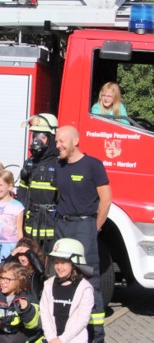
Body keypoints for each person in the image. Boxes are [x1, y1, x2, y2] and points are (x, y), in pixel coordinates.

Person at [54, 125, 112, 343]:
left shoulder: (93, 165)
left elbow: (106, 199)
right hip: (62, 226)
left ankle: (96, 335)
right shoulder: (58, 166)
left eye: (61, 141)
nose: (57, 145)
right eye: (56, 141)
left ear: (75, 141)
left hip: (84, 226)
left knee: (88, 278)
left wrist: (94, 226)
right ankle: (67, 329)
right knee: (62, 275)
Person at [18, 113, 59, 253]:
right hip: (32, 225)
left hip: (52, 226)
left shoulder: (59, 163)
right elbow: (22, 195)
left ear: (52, 138)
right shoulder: (29, 162)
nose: (37, 141)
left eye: (42, 137)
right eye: (35, 136)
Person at [40, 238, 95, 343]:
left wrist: (62, 339)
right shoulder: (49, 284)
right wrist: (51, 338)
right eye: (56, 262)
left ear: (74, 263)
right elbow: (44, 313)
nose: (58, 267)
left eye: (63, 262)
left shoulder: (84, 288)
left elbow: (82, 320)